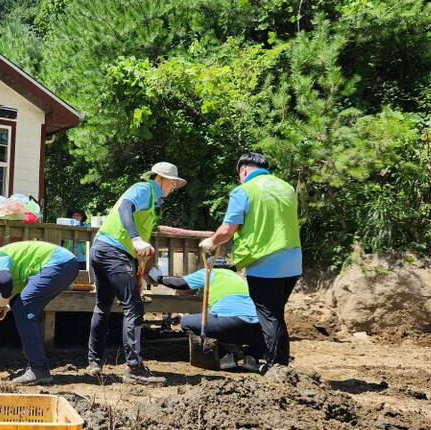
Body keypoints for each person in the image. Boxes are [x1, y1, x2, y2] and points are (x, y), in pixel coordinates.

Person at [199, 152, 301, 373]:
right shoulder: (287, 188)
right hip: (292, 261)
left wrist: (211, 242)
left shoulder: (243, 190)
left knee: (270, 316)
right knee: (275, 314)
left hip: (265, 263)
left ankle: (277, 367)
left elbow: (227, 230)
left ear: (243, 170)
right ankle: (279, 364)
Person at [87, 161, 186, 384]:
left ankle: (94, 361)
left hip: (102, 249)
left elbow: (136, 225)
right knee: (134, 306)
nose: (173, 189)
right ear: (161, 179)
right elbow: (124, 207)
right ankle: (134, 369)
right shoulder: (145, 189)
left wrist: (141, 245)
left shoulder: (152, 200)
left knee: (103, 306)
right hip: (114, 251)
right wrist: (135, 239)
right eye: (173, 184)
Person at [0, 241, 79, 385]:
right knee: (20, 307)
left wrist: (4, 298)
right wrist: (7, 307)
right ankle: (38, 368)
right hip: (63, 264)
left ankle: (38, 369)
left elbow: (4, 280)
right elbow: (20, 294)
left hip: (58, 263)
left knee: (24, 310)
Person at [147, 258, 263, 372]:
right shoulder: (236, 278)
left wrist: (159, 278)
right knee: (243, 325)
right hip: (259, 329)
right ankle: (252, 358)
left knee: (187, 323)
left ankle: (223, 356)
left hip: (231, 325)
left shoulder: (210, 273)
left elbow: (180, 283)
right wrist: (182, 314)